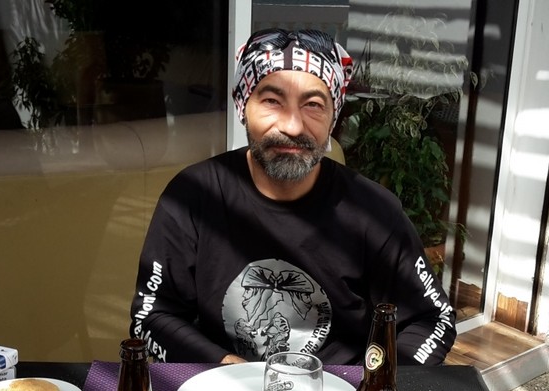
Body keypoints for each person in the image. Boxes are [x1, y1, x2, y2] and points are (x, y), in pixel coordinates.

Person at [130, 28, 456, 365]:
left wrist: (375, 384)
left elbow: (432, 319)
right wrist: (229, 369)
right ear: (243, 106)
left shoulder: (373, 212)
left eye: (313, 105)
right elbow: (152, 318)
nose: (293, 126)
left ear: (333, 117)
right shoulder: (192, 197)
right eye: (272, 101)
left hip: (340, 390)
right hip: (218, 386)